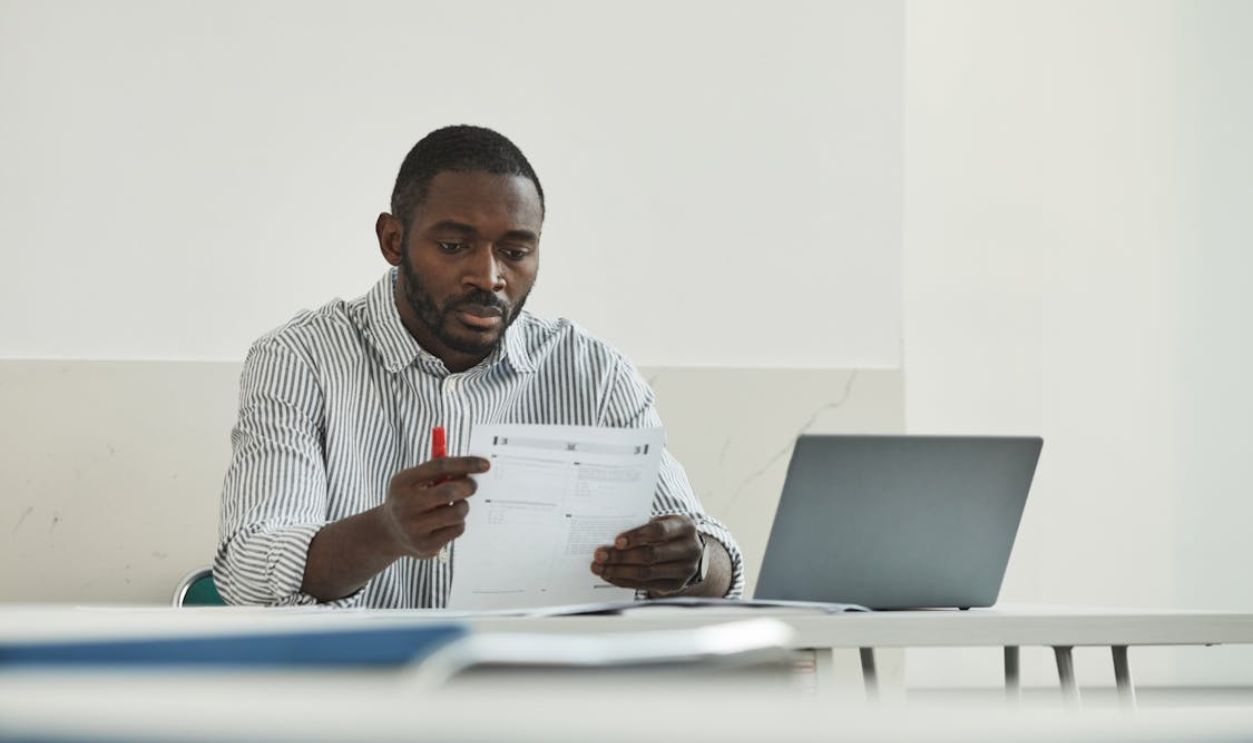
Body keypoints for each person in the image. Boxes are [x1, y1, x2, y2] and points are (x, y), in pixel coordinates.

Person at [215, 125, 743, 607]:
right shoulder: (300, 358)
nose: (488, 276)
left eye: (515, 251)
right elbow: (247, 569)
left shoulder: (595, 373)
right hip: (353, 695)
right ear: (393, 240)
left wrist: (691, 560)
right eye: (453, 245)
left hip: (538, 691)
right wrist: (386, 531)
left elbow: (715, 563)